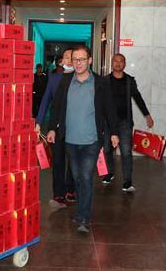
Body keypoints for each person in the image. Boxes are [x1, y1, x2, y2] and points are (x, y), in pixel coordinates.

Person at [47, 45, 119, 233]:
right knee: (77, 177)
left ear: (90, 61)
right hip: (70, 140)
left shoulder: (100, 83)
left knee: (86, 177)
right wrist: (52, 129)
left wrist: (114, 132)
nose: (78, 63)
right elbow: (56, 107)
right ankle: (80, 211)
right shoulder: (66, 81)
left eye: (82, 59)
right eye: (75, 60)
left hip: (92, 140)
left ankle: (83, 217)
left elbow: (109, 109)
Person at [101, 53, 154, 193]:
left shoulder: (129, 81)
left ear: (124, 64)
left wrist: (147, 115)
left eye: (121, 61)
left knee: (126, 151)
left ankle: (127, 181)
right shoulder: (105, 81)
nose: (118, 63)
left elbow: (138, 98)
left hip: (124, 122)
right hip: (108, 122)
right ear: (112, 63)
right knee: (107, 149)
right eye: (115, 61)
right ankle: (109, 172)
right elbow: (99, 101)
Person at [34, 49, 76, 208]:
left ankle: (70, 189)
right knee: (58, 160)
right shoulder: (54, 78)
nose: (69, 59)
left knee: (73, 160)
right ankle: (58, 194)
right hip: (56, 127)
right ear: (61, 61)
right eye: (66, 57)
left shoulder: (80, 77)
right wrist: (39, 121)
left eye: (72, 57)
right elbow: (45, 100)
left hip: (75, 126)